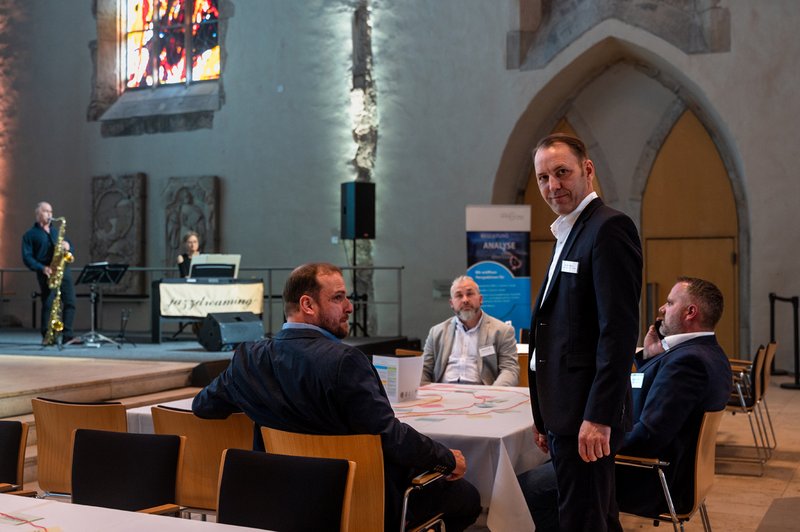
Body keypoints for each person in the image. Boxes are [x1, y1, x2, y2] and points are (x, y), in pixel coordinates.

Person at [192, 263, 481, 531]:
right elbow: (390, 437)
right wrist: (445, 459)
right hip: (359, 501)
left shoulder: (249, 358)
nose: (349, 307)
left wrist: (259, 403)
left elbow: (204, 406)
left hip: (279, 501)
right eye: (338, 298)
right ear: (307, 305)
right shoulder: (345, 362)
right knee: (468, 498)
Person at [518, 276, 732, 529]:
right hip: (663, 469)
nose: (662, 309)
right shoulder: (707, 353)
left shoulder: (687, 363)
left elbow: (649, 437)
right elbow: (653, 403)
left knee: (527, 488)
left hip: (648, 477)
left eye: (670, 302)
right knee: (553, 465)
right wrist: (648, 357)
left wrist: (590, 439)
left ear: (690, 312)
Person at [528, 133, 642, 531]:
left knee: (582, 520)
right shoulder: (569, 232)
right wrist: (543, 415)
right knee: (598, 517)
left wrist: (598, 416)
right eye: (543, 177)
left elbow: (619, 332)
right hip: (564, 411)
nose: (553, 185)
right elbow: (555, 330)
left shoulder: (608, 228)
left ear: (587, 170)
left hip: (585, 414)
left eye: (562, 172)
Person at [421, 275, 519, 386]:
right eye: (459, 295)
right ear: (452, 304)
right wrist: (424, 391)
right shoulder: (437, 332)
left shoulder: (502, 331)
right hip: (443, 391)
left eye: (470, 294)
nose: (465, 300)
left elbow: (509, 370)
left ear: (480, 299)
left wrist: (494, 393)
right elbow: (424, 368)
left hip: (482, 392)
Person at [21, 201, 77, 342]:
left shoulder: (56, 232)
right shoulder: (30, 235)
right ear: (38, 213)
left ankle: (68, 335)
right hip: (46, 271)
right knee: (48, 303)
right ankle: (48, 335)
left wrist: (68, 246)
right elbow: (27, 257)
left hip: (63, 270)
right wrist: (42, 268)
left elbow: (71, 248)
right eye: (46, 211)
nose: (49, 214)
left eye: (51, 211)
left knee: (70, 301)